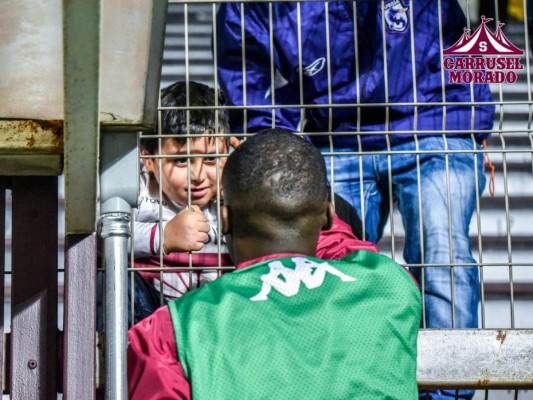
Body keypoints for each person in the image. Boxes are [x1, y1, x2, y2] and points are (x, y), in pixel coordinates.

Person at [216, 3, 494, 399]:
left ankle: (450, 393)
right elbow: (245, 60)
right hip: (338, 130)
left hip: (436, 119)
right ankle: (331, 384)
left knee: (441, 250)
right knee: (321, 262)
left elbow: (461, 35)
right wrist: (270, 146)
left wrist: (473, 119)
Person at [127, 129, 422, 399]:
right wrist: (281, 176)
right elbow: (344, 243)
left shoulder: (174, 328)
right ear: (328, 215)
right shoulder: (392, 285)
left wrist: (250, 175)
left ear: (225, 219)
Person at [131, 81, 376, 309]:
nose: (198, 175)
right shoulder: (138, 191)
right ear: (149, 158)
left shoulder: (232, 191)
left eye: (211, 158)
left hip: (227, 307)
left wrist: (248, 177)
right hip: (152, 307)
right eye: (181, 161)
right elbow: (104, 238)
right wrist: (162, 236)